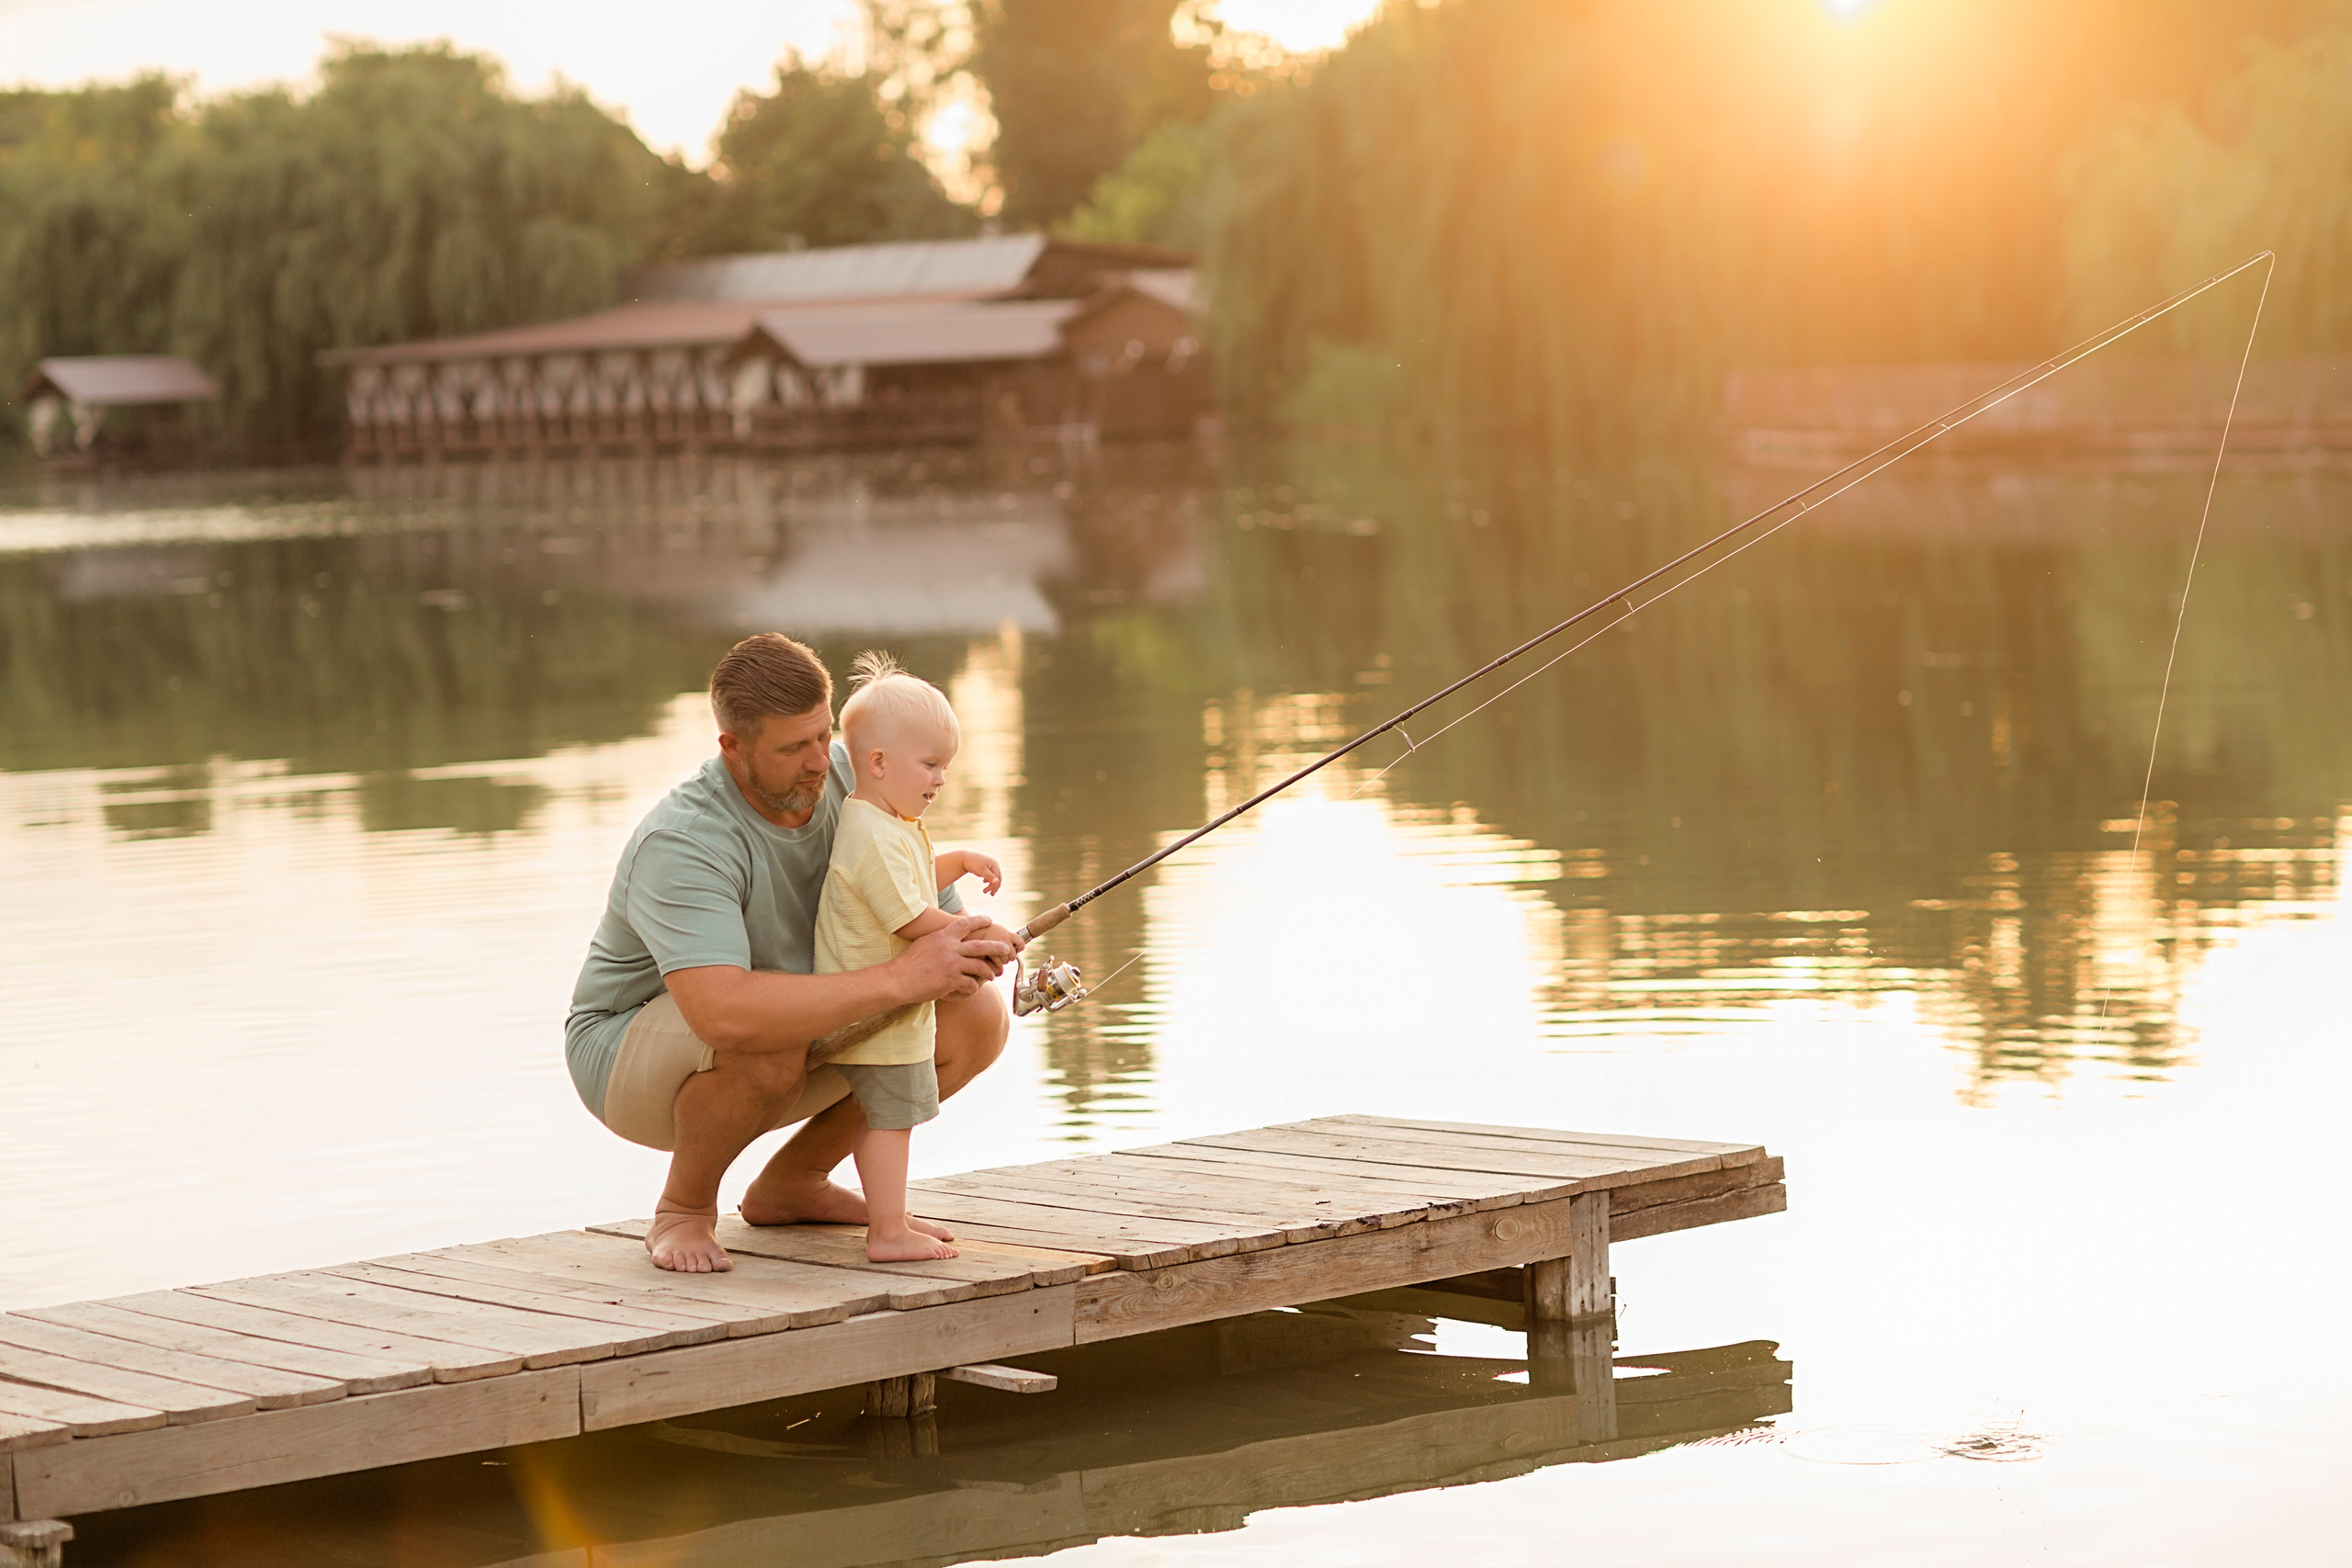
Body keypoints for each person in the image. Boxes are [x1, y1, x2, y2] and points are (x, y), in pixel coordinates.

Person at [565, 633, 1018, 1272]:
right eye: (791, 747)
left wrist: (975, 944)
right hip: (624, 1052)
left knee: (976, 1015)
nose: (817, 762)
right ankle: (684, 1209)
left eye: (821, 734)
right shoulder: (685, 840)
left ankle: (793, 1182)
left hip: (783, 1022)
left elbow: (923, 913)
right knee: (766, 1034)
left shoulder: (856, 772)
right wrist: (902, 978)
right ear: (733, 746)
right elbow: (723, 1014)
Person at [815, 652, 1006, 1262]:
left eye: (944, 766)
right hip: (876, 1010)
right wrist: (977, 931)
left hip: (892, 1008)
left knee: (885, 1115)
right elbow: (910, 916)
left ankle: (888, 1217)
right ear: (877, 762)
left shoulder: (885, 821)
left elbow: (915, 878)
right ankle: (887, 1231)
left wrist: (961, 861)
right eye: (930, 764)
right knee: (888, 1118)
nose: (940, 779)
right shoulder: (871, 831)